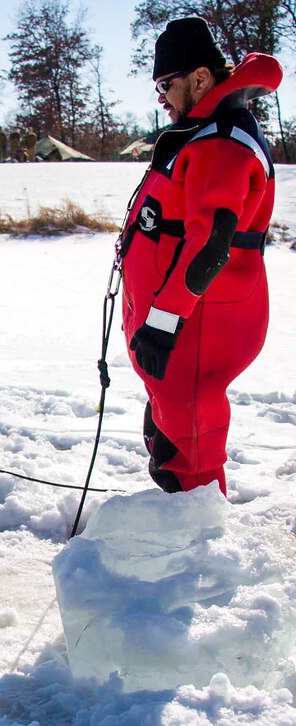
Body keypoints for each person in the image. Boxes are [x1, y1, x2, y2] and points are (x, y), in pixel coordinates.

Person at [117, 17, 281, 496]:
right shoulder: (201, 131)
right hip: (181, 325)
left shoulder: (221, 141)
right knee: (170, 433)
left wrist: (163, 323)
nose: (161, 97)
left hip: (199, 324)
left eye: (166, 84)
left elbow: (211, 244)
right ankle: (176, 542)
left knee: (188, 449)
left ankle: (195, 557)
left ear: (201, 79)